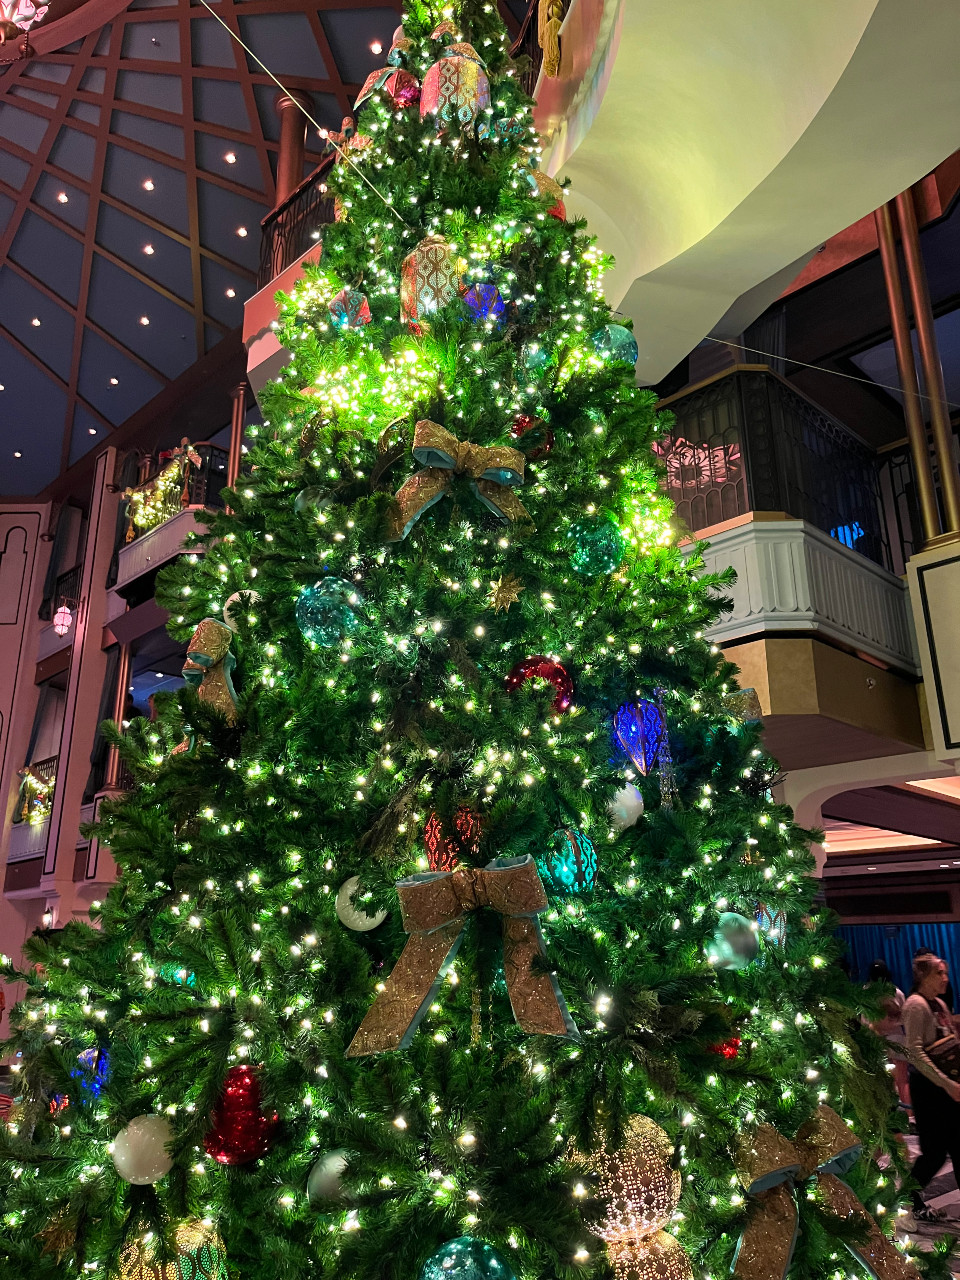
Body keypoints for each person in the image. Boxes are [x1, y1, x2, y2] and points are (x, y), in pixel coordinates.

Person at [902, 953, 960, 1226]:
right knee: (935, 1152)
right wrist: (947, 1084)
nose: (945, 978)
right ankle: (906, 1198)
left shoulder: (938, 1004)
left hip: (947, 1089)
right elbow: (915, 1052)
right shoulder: (916, 1005)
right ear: (924, 976)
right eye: (939, 972)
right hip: (929, 1089)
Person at [865, 959, 909, 1107]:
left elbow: (865, 1021)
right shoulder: (897, 992)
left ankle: (892, 1115)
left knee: (884, 1081)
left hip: (876, 1040)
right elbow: (904, 1017)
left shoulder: (866, 992)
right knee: (902, 1080)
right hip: (897, 1039)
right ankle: (909, 1116)